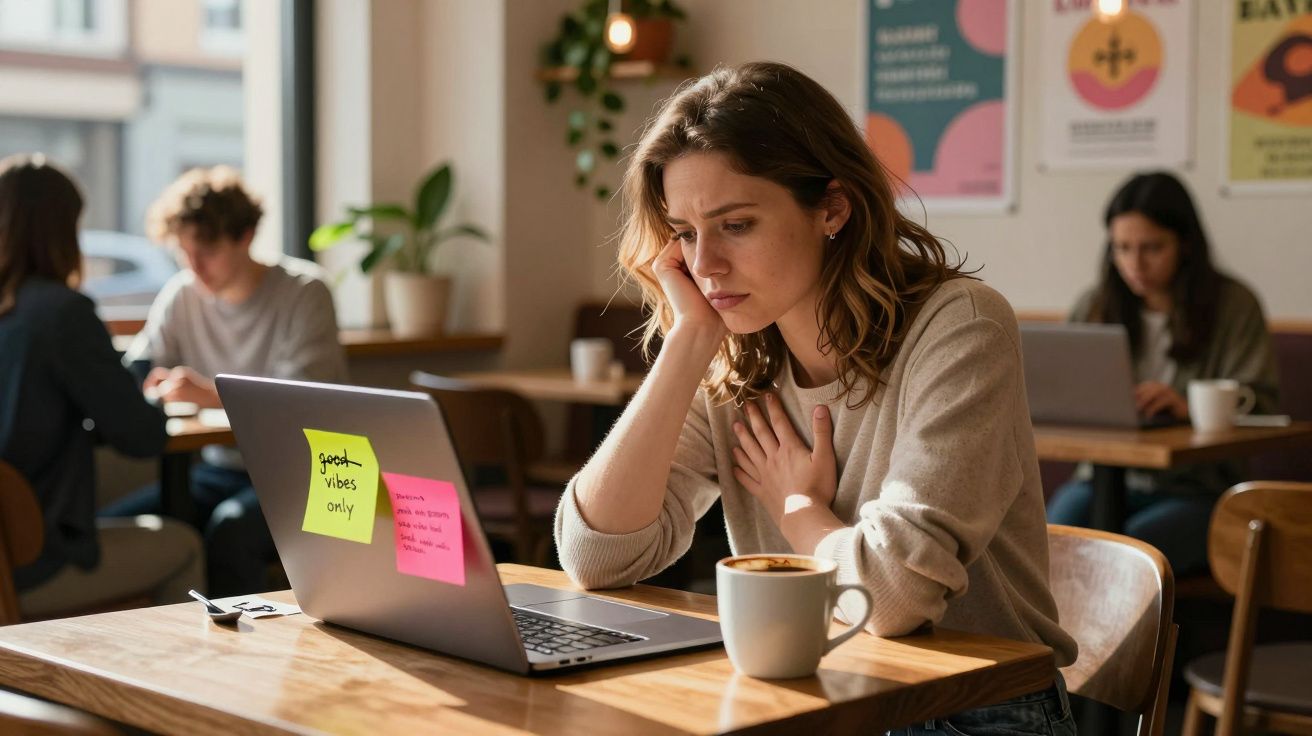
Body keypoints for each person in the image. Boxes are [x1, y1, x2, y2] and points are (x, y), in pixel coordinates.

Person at [553, 62, 1077, 734]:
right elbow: (597, 557)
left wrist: (799, 509)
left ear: (832, 207)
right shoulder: (732, 355)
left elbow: (893, 596)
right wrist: (689, 340)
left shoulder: (960, 326)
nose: (704, 264)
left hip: (970, 712)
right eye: (684, 233)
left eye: (735, 225)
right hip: (815, 693)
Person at [103, 166, 347, 597]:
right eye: (184, 252)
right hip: (222, 470)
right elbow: (139, 364)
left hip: (311, 473)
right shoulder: (182, 295)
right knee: (113, 527)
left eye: (208, 249)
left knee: (230, 532)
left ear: (246, 235)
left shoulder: (305, 293)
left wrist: (208, 395)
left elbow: (298, 406)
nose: (195, 266)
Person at [0, 154, 203, 617]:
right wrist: (138, 396)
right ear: (62, 230)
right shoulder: (61, 313)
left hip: (7, 556)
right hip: (31, 563)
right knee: (186, 545)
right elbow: (143, 436)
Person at [1047, 171, 1278, 576]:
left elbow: (1263, 401)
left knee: (1128, 559)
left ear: (1185, 244)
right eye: (1122, 248)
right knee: (1048, 543)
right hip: (1100, 481)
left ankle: (1116, 642)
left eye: (1152, 247)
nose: (1134, 264)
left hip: (1199, 488)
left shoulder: (1233, 306)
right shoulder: (1095, 305)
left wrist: (1190, 408)